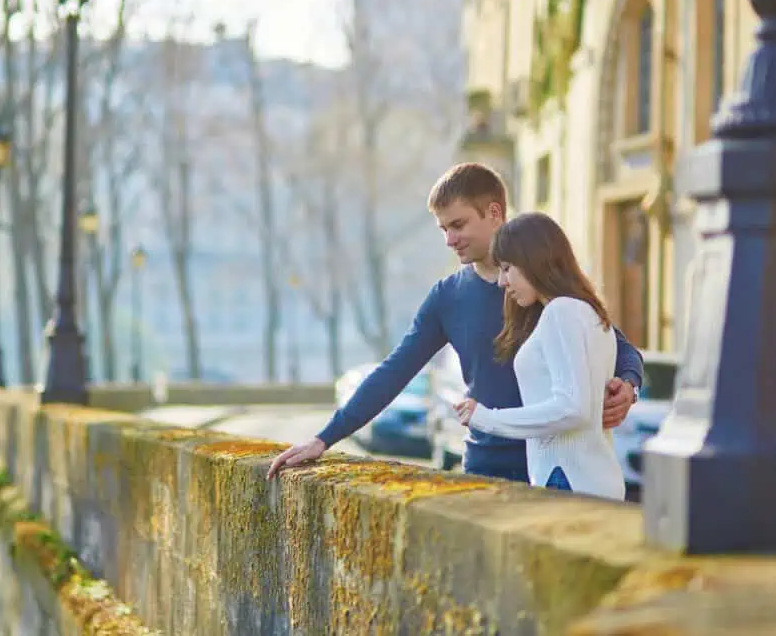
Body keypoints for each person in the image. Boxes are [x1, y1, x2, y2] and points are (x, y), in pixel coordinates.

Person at [266, 162, 643, 482]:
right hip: (486, 470)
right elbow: (392, 372)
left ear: (495, 213)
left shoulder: (542, 284)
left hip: (558, 471)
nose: (450, 239)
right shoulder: (447, 298)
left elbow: (617, 342)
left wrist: (628, 383)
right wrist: (323, 439)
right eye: (443, 229)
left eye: (458, 225)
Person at [453, 212, 625, 499]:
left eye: (508, 268)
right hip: (589, 479)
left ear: (535, 261)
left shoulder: (561, 312)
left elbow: (573, 408)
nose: (502, 282)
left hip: (566, 480)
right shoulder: (588, 312)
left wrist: (486, 418)